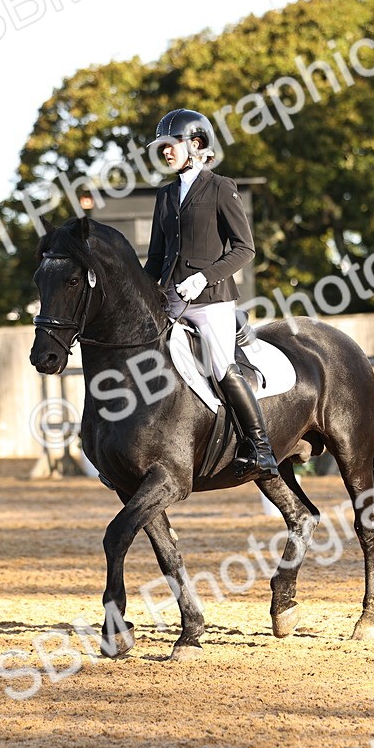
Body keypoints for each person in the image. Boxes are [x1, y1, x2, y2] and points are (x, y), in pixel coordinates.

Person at [144, 108, 279, 480]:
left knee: (221, 366)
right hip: (172, 300)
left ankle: (261, 449)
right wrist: (143, 293)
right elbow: (156, 257)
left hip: (212, 300)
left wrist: (203, 278)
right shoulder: (165, 195)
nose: (166, 151)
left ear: (196, 144)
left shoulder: (220, 187)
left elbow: (245, 248)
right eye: (162, 146)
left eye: (172, 144)